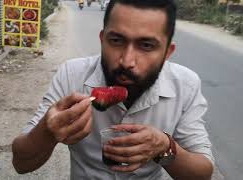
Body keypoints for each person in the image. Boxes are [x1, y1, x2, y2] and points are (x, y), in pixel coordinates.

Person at [12, 0, 214, 179]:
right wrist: (47, 132)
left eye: (146, 45)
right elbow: (21, 164)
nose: (127, 61)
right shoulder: (71, 74)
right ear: (102, 39)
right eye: (116, 41)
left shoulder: (185, 84)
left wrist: (165, 148)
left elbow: (202, 173)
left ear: (167, 53)